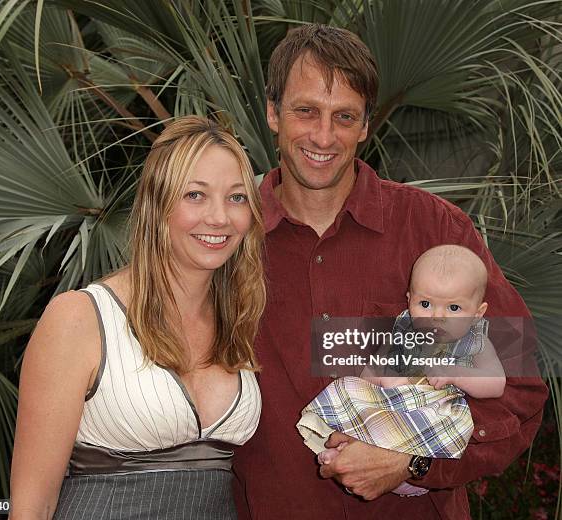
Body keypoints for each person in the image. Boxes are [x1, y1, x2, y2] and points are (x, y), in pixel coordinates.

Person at [231, 24, 548, 519]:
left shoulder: (435, 229)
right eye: (305, 111)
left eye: (344, 117)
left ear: (365, 126)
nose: (323, 136)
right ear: (273, 113)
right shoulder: (228, 239)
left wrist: (413, 463)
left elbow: (521, 386)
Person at [10, 116, 266, 520]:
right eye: (195, 195)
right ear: (157, 204)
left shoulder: (241, 318)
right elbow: (32, 507)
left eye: (237, 198)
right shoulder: (80, 319)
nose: (220, 217)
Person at [298, 244, 506, 498]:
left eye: (454, 308)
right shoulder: (404, 331)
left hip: (432, 414)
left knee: (446, 422)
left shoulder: (476, 343)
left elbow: (497, 383)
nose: (436, 317)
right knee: (350, 387)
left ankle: (348, 450)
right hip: (392, 402)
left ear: (477, 313)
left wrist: (456, 373)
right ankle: (343, 449)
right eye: (425, 304)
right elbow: (374, 367)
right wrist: (379, 380)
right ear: (409, 301)